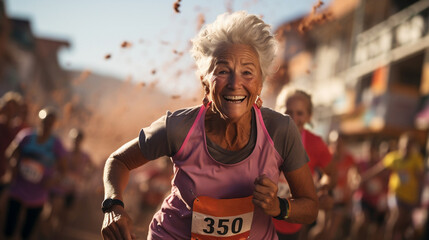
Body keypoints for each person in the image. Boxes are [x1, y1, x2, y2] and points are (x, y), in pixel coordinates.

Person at [101, 11, 318, 240]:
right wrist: (113, 206)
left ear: (260, 84)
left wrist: (279, 207)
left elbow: (310, 207)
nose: (235, 84)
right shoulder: (178, 128)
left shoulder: (280, 130)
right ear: (205, 82)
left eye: (247, 72)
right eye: (223, 71)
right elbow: (119, 160)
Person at [274, 88, 335, 240]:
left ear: (309, 117)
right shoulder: (265, 136)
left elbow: (331, 173)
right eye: (288, 112)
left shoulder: (316, 143)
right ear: (278, 111)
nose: (293, 118)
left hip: (291, 221)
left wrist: (322, 188)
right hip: (260, 217)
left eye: (300, 113)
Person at [2, 107, 67, 240]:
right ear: (40, 120)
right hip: (18, 189)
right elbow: (10, 153)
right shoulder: (26, 136)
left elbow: (63, 170)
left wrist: (53, 181)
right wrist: (13, 166)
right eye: (44, 121)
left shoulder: (56, 144)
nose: (47, 125)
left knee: (26, 233)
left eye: (50, 122)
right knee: (9, 229)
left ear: (54, 124)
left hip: (39, 195)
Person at [361, 132, 424, 240]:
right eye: (404, 145)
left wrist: (419, 197)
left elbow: (420, 180)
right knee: (397, 216)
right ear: (400, 145)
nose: (406, 148)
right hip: (396, 194)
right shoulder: (394, 158)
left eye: (409, 145)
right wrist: (363, 178)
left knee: (404, 224)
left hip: (411, 197)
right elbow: (378, 170)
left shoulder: (416, 160)